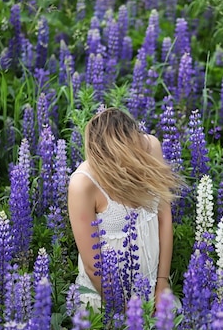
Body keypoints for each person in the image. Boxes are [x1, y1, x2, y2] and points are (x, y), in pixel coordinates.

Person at [68, 107, 184, 312]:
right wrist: (125, 313)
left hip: (153, 290)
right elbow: (92, 266)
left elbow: (165, 219)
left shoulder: (150, 147)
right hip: (106, 302)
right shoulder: (83, 184)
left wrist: (162, 285)